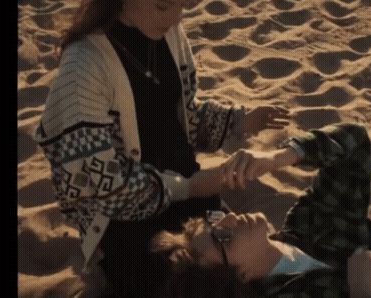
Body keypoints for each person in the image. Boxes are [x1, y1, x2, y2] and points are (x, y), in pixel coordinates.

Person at [33, 0, 291, 297]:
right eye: (164, 6)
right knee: (192, 287)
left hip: (193, 200)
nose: (178, 16)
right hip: (128, 226)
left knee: (257, 267)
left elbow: (184, 118)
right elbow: (106, 186)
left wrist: (239, 121)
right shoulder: (82, 66)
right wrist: (189, 188)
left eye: (183, 4)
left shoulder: (168, 32)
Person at [152, 123, 371, 298]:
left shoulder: (308, 225)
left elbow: (354, 143)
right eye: (223, 238)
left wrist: (277, 158)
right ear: (239, 279)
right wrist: (361, 293)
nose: (226, 217)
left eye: (212, 222)